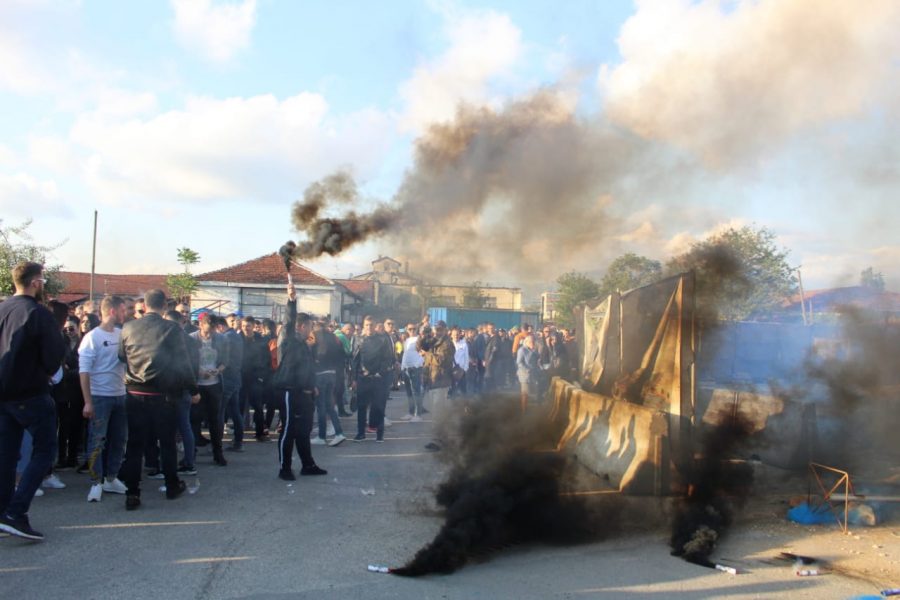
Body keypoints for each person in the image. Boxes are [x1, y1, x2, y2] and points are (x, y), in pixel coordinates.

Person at [0, 262, 67, 540]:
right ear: (36, 283)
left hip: (2, 396)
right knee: (44, 451)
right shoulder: (38, 313)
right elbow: (53, 358)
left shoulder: (2, 308)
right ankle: (16, 513)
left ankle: (4, 514)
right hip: (29, 394)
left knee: (5, 456)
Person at [118, 289, 199, 510]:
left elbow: (121, 356)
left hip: (134, 394)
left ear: (144, 305)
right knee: (167, 443)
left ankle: (132, 493)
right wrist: (193, 389)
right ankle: (172, 485)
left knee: (134, 445)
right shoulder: (171, 329)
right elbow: (183, 364)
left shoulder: (128, 327)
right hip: (162, 396)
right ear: (164, 306)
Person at [273, 283, 327, 480]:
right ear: (301, 326)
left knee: (304, 430)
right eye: (311, 326)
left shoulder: (305, 345)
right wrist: (291, 299)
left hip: (305, 393)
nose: (312, 330)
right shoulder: (288, 339)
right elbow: (288, 321)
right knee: (289, 429)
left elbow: (308, 368)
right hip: (289, 391)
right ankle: (284, 469)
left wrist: (312, 386)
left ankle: (308, 465)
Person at [79, 295, 129, 502]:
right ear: (112, 311)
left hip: (121, 396)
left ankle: (111, 478)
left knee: (119, 439)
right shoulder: (92, 337)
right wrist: (88, 401)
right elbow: (84, 371)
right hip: (100, 397)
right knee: (97, 440)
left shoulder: (122, 334)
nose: (125, 313)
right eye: (123, 310)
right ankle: (95, 482)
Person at [189, 313, 228, 467]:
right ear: (200, 325)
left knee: (215, 420)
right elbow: (188, 361)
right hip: (197, 384)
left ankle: (218, 453)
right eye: (207, 331)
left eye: (212, 330)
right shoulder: (191, 339)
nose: (209, 334)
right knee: (194, 420)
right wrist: (199, 372)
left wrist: (218, 370)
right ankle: (190, 454)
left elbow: (226, 360)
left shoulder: (221, 339)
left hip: (215, 384)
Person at [350, 315, 394, 443]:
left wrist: (380, 372)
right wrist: (353, 379)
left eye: (371, 325)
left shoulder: (383, 340)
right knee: (361, 407)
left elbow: (387, 359)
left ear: (375, 326)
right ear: (364, 326)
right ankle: (360, 433)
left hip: (378, 378)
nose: (369, 327)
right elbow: (355, 360)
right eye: (367, 325)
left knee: (378, 406)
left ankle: (379, 434)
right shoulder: (358, 339)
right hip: (363, 378)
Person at [418, 320, 456, 451]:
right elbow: (420, 346)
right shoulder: (434, 341)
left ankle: (439, 441)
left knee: (438, 413)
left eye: (440, 329)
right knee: (436, 412)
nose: (437, 332)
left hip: (442, 381)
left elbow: (441, 360)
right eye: (436, 330)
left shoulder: (447, 344)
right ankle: (441, 439)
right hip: (433, 381)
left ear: (445, 330)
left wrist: (427, 354)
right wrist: (424, 335)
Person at [311, 321, 346, 446]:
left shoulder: (314, 337)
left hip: (320, 375)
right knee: (330, 406)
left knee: (321, 407)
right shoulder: (333, 338)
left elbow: (310, 356)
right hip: (332, 374)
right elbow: (342, 354)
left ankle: (322, 436)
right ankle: (338, 433)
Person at [399, 323, 424, 421]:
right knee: (409, 392)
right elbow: (405, 354)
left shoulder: (420, 339)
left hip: (415, 368)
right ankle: (410, 412)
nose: (412, 330)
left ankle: (418, 414)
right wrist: (403, 366)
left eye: (414, 329)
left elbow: (424, 354)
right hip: (406, 369)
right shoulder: (406, 340)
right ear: (407, 330)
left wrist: (416, 365)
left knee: (416, 392)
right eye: (410, 329)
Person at [516, 334, 539, 412]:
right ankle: (524, 411)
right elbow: (519, 362)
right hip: (524, 374)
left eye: (534, 341)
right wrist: (527, 369)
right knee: (525, 393)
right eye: (532, 342)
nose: (533, 343)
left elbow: (538, 360)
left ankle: (527, 407)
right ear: (527, 342)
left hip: (532, 373)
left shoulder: (533, 350)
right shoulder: (522, 350)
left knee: (530, 392)